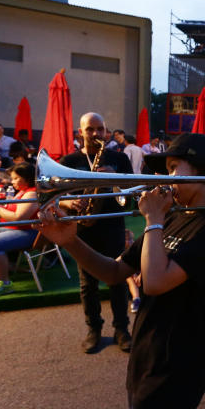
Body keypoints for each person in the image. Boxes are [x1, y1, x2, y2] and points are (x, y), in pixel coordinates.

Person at [39, 133, 205, 409]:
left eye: (175, 167)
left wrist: (153, 221)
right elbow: (115, 271)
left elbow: (156, 282)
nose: (166, 177)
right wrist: (70, 240)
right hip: (148, 357)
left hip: (177, 367)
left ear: (202, 171)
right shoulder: (174, 215)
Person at [60, 112, 134, 354]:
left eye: (100, 129)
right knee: (87, 283)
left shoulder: (120, 159)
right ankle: (94, 329)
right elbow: (57, 194)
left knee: (119, 278)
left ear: (106, 131)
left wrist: (115, 178)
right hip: (83, 227)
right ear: (80, 132)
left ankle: (122, 329)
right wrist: (68, 204)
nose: (95, 134)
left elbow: (132, 193)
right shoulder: (69, 161)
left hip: (112, 224)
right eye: (90, 129)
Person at [0, 162, 41, 298]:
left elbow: (18, 218)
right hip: (14, 229)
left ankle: (4, 283)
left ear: (27, 178)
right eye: (12, 178)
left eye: (16, 178)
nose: (12, 181)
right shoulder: (22, 191)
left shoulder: (31, 194)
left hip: (29, 233)